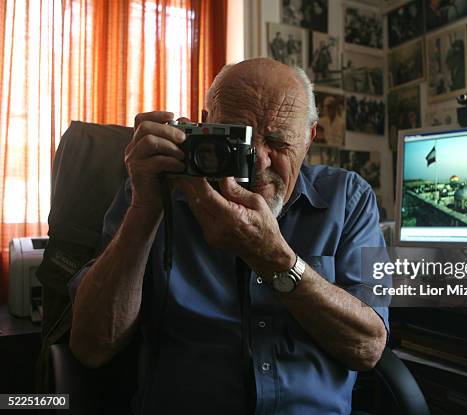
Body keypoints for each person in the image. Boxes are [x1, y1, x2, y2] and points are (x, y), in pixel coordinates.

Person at [69, 58, 388, 414]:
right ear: (206, 126)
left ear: (309, 136)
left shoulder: (350, 199)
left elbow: (369, 347)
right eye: (240, 140)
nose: (259, 163)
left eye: (279, 142)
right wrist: (145, 209)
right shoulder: (156, 193)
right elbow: (91, 346)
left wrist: (274, 258)